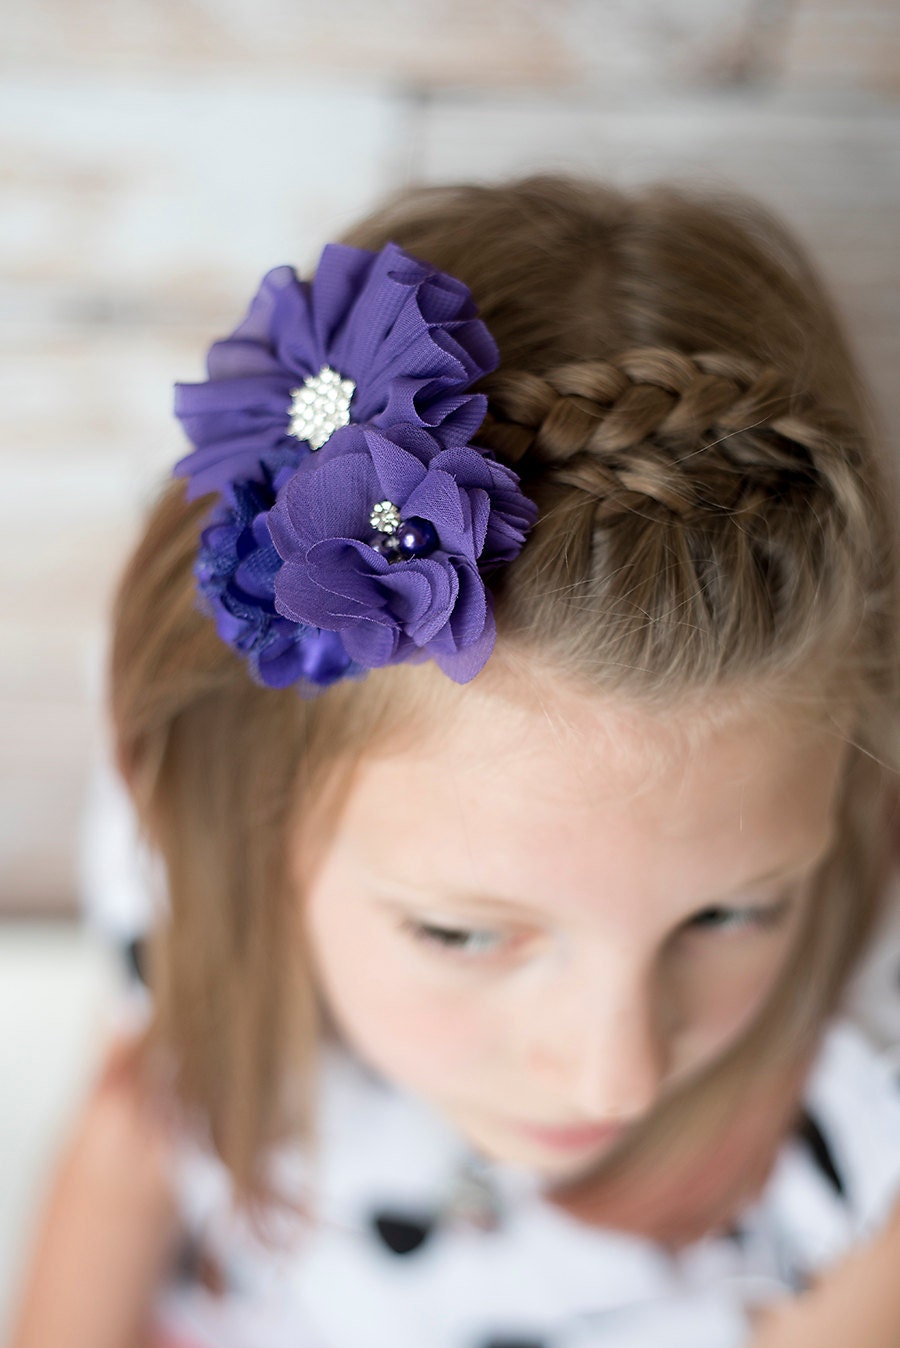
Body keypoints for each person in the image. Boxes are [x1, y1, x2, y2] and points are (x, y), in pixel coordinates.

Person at [11, 174, 900, 1348]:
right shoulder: (205, 951)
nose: (616, 1077)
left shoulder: (858, 1147)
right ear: (243, 817)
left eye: (735, 913)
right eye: (464, 934)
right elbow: (130, 1144)